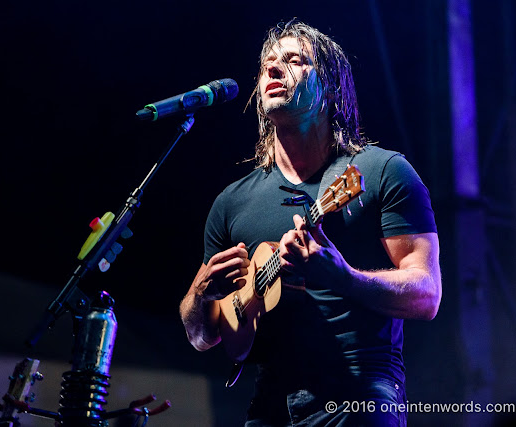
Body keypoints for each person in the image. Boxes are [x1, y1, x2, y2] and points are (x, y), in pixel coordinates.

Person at [179, 19, 441, 426]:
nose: (273, 69)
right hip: (268, 402)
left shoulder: (382, 170)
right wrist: (200, 294)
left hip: (362, 391)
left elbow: (427, 295)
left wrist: (343, 276)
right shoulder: (232, 202)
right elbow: (202, 336)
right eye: (267, 64)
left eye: (295, 60)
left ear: (330, 87)